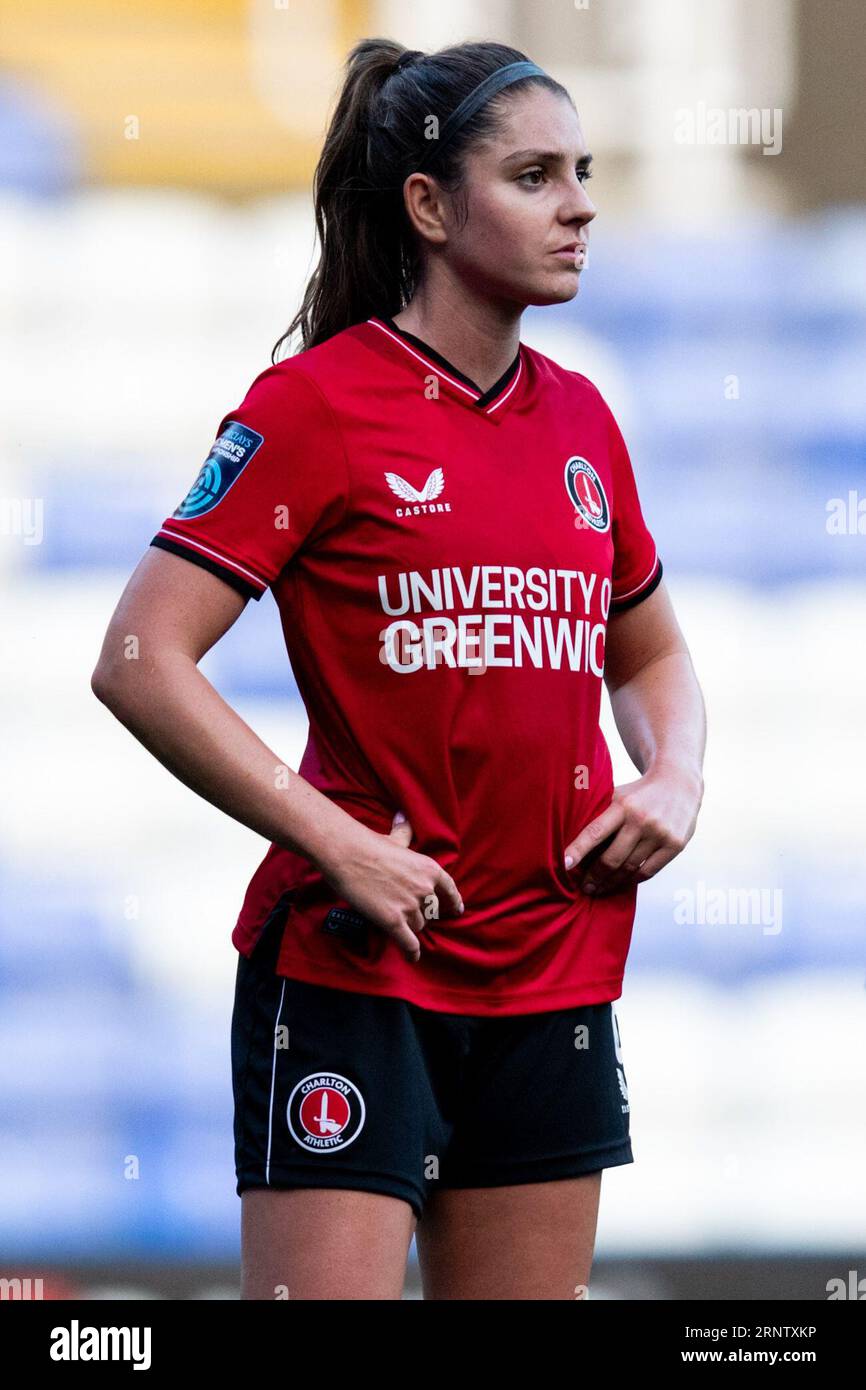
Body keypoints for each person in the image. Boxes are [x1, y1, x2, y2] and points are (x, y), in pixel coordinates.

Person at [91, 37, 706, 1300]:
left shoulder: (583, 419)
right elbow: (140, 658)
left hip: (551, 968)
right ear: (427, 205)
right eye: (533, 175)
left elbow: (647, 651)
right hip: (354, 970)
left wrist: (676, 774)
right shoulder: (315, 408)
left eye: (580, 172)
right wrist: (340, 842)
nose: (579, 203)